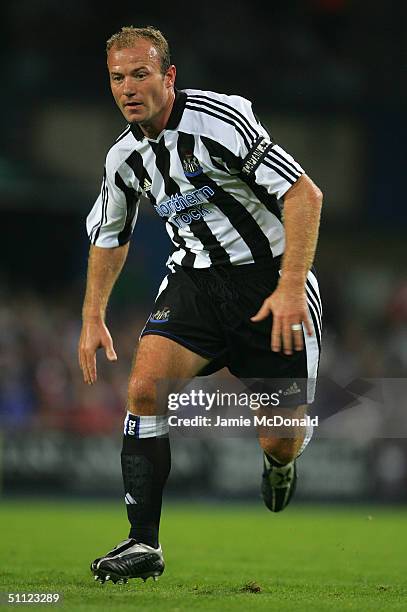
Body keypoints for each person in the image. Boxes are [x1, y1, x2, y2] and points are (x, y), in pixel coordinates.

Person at [78, 25, 323, 585]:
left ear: (168, 76)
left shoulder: (220, 121)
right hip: (196, 285)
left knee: (280, 439)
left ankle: (279, 464)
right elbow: (110, 235)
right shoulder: (123, 158)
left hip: (270, 284)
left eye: (140, 74)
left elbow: (304, 194)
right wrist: (93, 314)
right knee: (144, 390)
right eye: (118, 77)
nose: (128, 88)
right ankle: (143, 543)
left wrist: (290, 286)